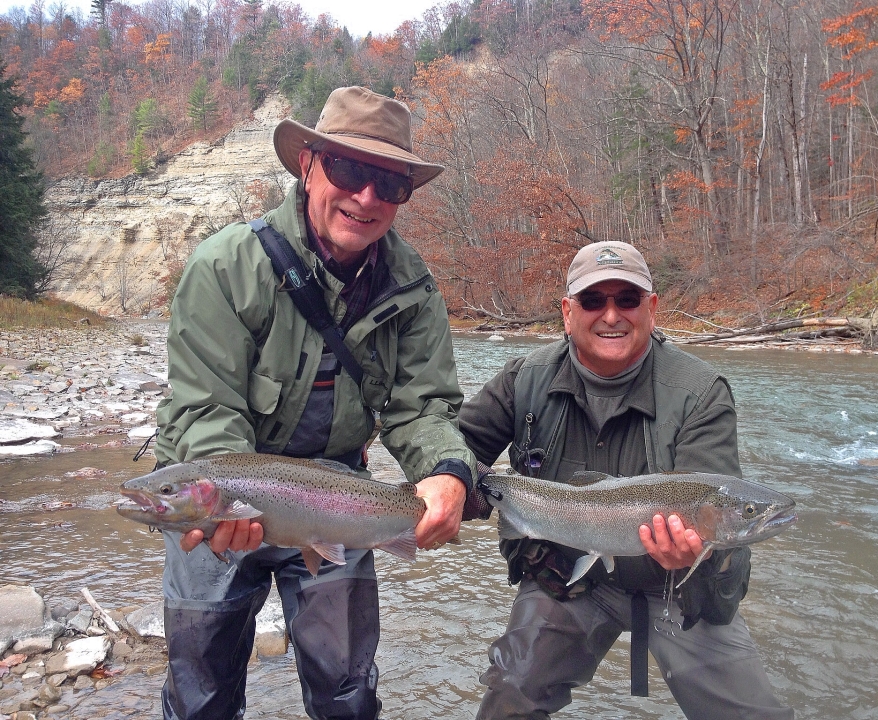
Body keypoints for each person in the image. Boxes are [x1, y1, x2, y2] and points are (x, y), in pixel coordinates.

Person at [153, 86, 475, 720]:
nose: (366, 198)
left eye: (390, 185)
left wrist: (446, 474)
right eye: (350, 171)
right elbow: (204, 408)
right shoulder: (225, 266)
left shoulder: (412, 286)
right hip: (223, 492)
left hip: (340, 500)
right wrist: (226, 496)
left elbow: (423, 408)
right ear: (308, 166)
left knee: (347, 695)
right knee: (201, 694)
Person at [459, 241, 793, 719]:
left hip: (677, 587)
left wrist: (695, 551)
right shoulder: (524, 379)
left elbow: (712, 489)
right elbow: (455, 452)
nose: (611, 315)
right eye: (594, 301)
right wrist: (448, 489)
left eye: (627, 300)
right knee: (510, 694)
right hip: (568, 579)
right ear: (568, 312)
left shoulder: (700, 393)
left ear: (652, 309)